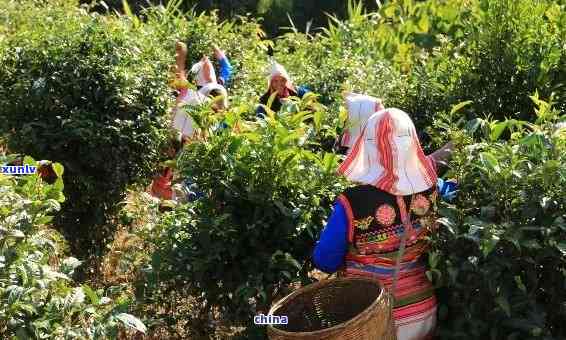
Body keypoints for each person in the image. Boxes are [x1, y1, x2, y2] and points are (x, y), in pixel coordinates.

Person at [312, 108, 455, 340]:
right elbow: (449, 189)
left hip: (371, 315)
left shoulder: (351, 202)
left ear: (368, 147)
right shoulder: (432, 189)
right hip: (423, 309)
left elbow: (325, 261)